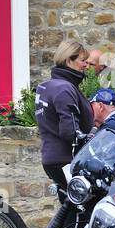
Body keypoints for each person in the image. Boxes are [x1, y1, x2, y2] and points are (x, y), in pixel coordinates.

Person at [35, 39, 93, 191]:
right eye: (83, 61)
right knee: (79, 208)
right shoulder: (64, 88)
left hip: (52, 157)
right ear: (69, 60)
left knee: (70, 207)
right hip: (65, 160)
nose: (86, 65)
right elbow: (70, 131)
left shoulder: (47, 86)